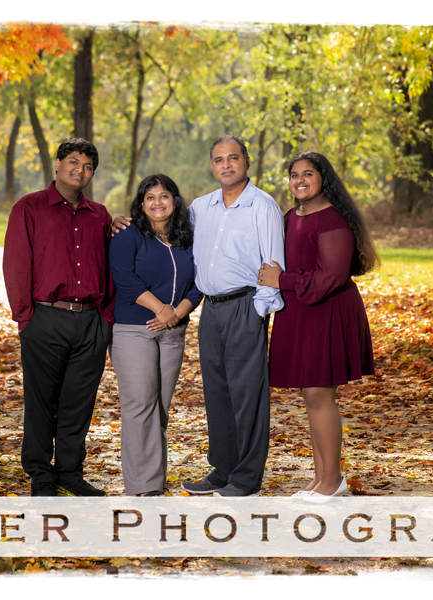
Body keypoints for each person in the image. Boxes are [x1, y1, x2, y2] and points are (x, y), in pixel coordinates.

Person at [114, 133, 285, 497]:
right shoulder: (200, 208)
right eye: (219, 159)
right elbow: (162, 222)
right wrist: (121, 221)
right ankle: (222, 471)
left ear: (247, 162)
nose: (226, 165)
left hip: (245, 305)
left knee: (246, 393)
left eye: (233, 158)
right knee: (217, 393)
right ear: (212, 165)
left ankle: (245, 477)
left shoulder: (263, 206)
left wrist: (259, 311)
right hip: (211, 309)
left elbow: (273, 263)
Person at [258, 151, 378, 503]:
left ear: (323, 177)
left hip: (325, 310)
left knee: (318, 395)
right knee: (311, 397)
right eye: (294, 175)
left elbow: (331, 277)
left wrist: (282, 280)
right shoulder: (291, 216)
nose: (299, 181)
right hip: (298, 311)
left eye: (307, 174)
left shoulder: (332, 221)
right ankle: (322, 478)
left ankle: (332, 481)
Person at [2, 138, 114, 497]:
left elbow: (110, 267)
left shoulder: (100, 215)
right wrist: (25, 319)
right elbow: (16, 265)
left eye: (88, 167)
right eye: (74, 162)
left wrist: (106, 319)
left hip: (90, 323)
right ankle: (40, 474)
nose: (80, 171)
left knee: (78, 402)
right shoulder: (29, 208)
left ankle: (69, 472)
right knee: (42, 402)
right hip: (44, 319)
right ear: (58, 164)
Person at [109, 174, 203, 497]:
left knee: (159, 408)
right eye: (150, 197)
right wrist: (161, 309)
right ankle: (142, 488)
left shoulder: (185, 238)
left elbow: (198, 283)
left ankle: (155, 480)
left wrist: (176, 314)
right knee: (140, 406)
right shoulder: (127, 234)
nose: (157, 202)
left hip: (173, 331)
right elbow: (124, 278)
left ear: (175, 201)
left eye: (164, 196)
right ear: (141, 203)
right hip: (136, 330)